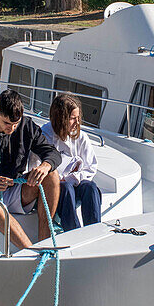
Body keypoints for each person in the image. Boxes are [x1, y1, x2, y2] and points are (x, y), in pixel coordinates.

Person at [0, 89, 62, 249]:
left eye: (15, 123)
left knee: (52, 174)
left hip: (15, 188)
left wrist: (45, 166)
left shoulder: (26, 126)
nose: (12, 128)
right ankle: (31, 252)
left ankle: (45, 243)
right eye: (7, 123)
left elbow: (52, 153)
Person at [42, 93, 102, 230]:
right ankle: (73, 232)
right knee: (67, 188)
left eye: (78, 118)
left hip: (73, 181)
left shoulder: (81, 137)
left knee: (90, 187)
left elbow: (90, 167)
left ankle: (94, 231)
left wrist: (71, 178)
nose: (77, 123)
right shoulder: (45, 136)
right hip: (55, 188)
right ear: (60, 118)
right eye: (72, 119)